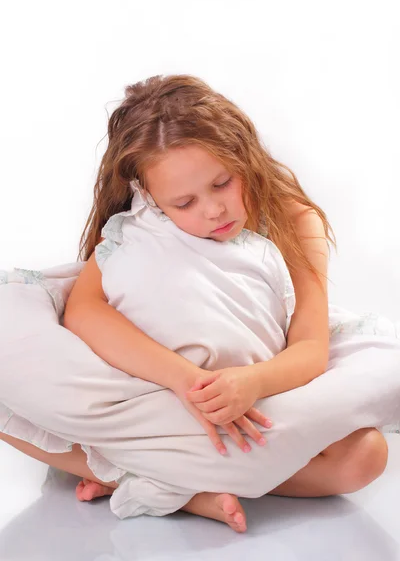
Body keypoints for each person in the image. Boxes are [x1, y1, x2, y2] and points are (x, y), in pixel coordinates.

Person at [0, 74, 398, 532]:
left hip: (260, 390)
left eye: (223, 183)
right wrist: (186, 381)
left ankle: (146, 471)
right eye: (185, 202)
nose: (213, 210)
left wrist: (250, 383)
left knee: (365, 457)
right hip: (155, 385)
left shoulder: (294, 219)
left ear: (244, 156)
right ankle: (187, 488)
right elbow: (86, 313)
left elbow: (309, 347)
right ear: (150, 196)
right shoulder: (140, 227)